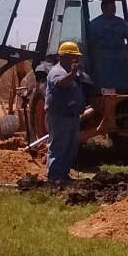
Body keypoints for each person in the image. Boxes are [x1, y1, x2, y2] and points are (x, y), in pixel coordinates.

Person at [44, 41, 87, 184]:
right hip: (60, 115)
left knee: (70, 147)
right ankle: (55, 177)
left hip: (71, 116)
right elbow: (60, 85)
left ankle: (63, 175)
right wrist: (72, 74)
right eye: (73, 57)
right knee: (59, 146)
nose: (77, 60)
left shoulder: (71, 72)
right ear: (64, 56)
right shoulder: (57, 72)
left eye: (77, 57)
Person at [89, 0, 128, 92]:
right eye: (111, 8)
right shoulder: (94, 24)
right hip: (102, 62)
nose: (113, 11)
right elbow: (91, 43)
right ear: (103, 8)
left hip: (120, 61)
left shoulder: (121, 22)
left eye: (114, 8)